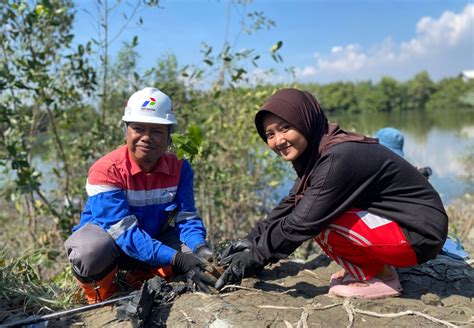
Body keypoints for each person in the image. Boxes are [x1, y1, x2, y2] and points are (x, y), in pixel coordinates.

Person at [216, 88, 448, 299]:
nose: (279, 140)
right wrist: (249, 240)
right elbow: (290, 203)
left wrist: (256, 256)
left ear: (304, 120)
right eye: (270, 134)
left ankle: (384, 278)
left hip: (419, 235)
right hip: (404, 227)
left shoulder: (338, 157)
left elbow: (302, 221)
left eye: (285, 127)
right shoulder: (320, 154)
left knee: (319, 217)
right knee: (312, 207)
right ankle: (369, 269)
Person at [65, 87, 215, 304]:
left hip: (154, 238)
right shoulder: (106, 170)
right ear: (126, 131)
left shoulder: (181, 168)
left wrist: (199, 248)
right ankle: (100, 296)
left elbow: (187, 218)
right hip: (113, 245)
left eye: (156, 131)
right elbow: (124, 233)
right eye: (138, 129)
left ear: (168, 135)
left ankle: (141, 277)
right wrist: (178, 259)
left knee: (195, 252)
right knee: (89, 250)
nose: (146, 138)